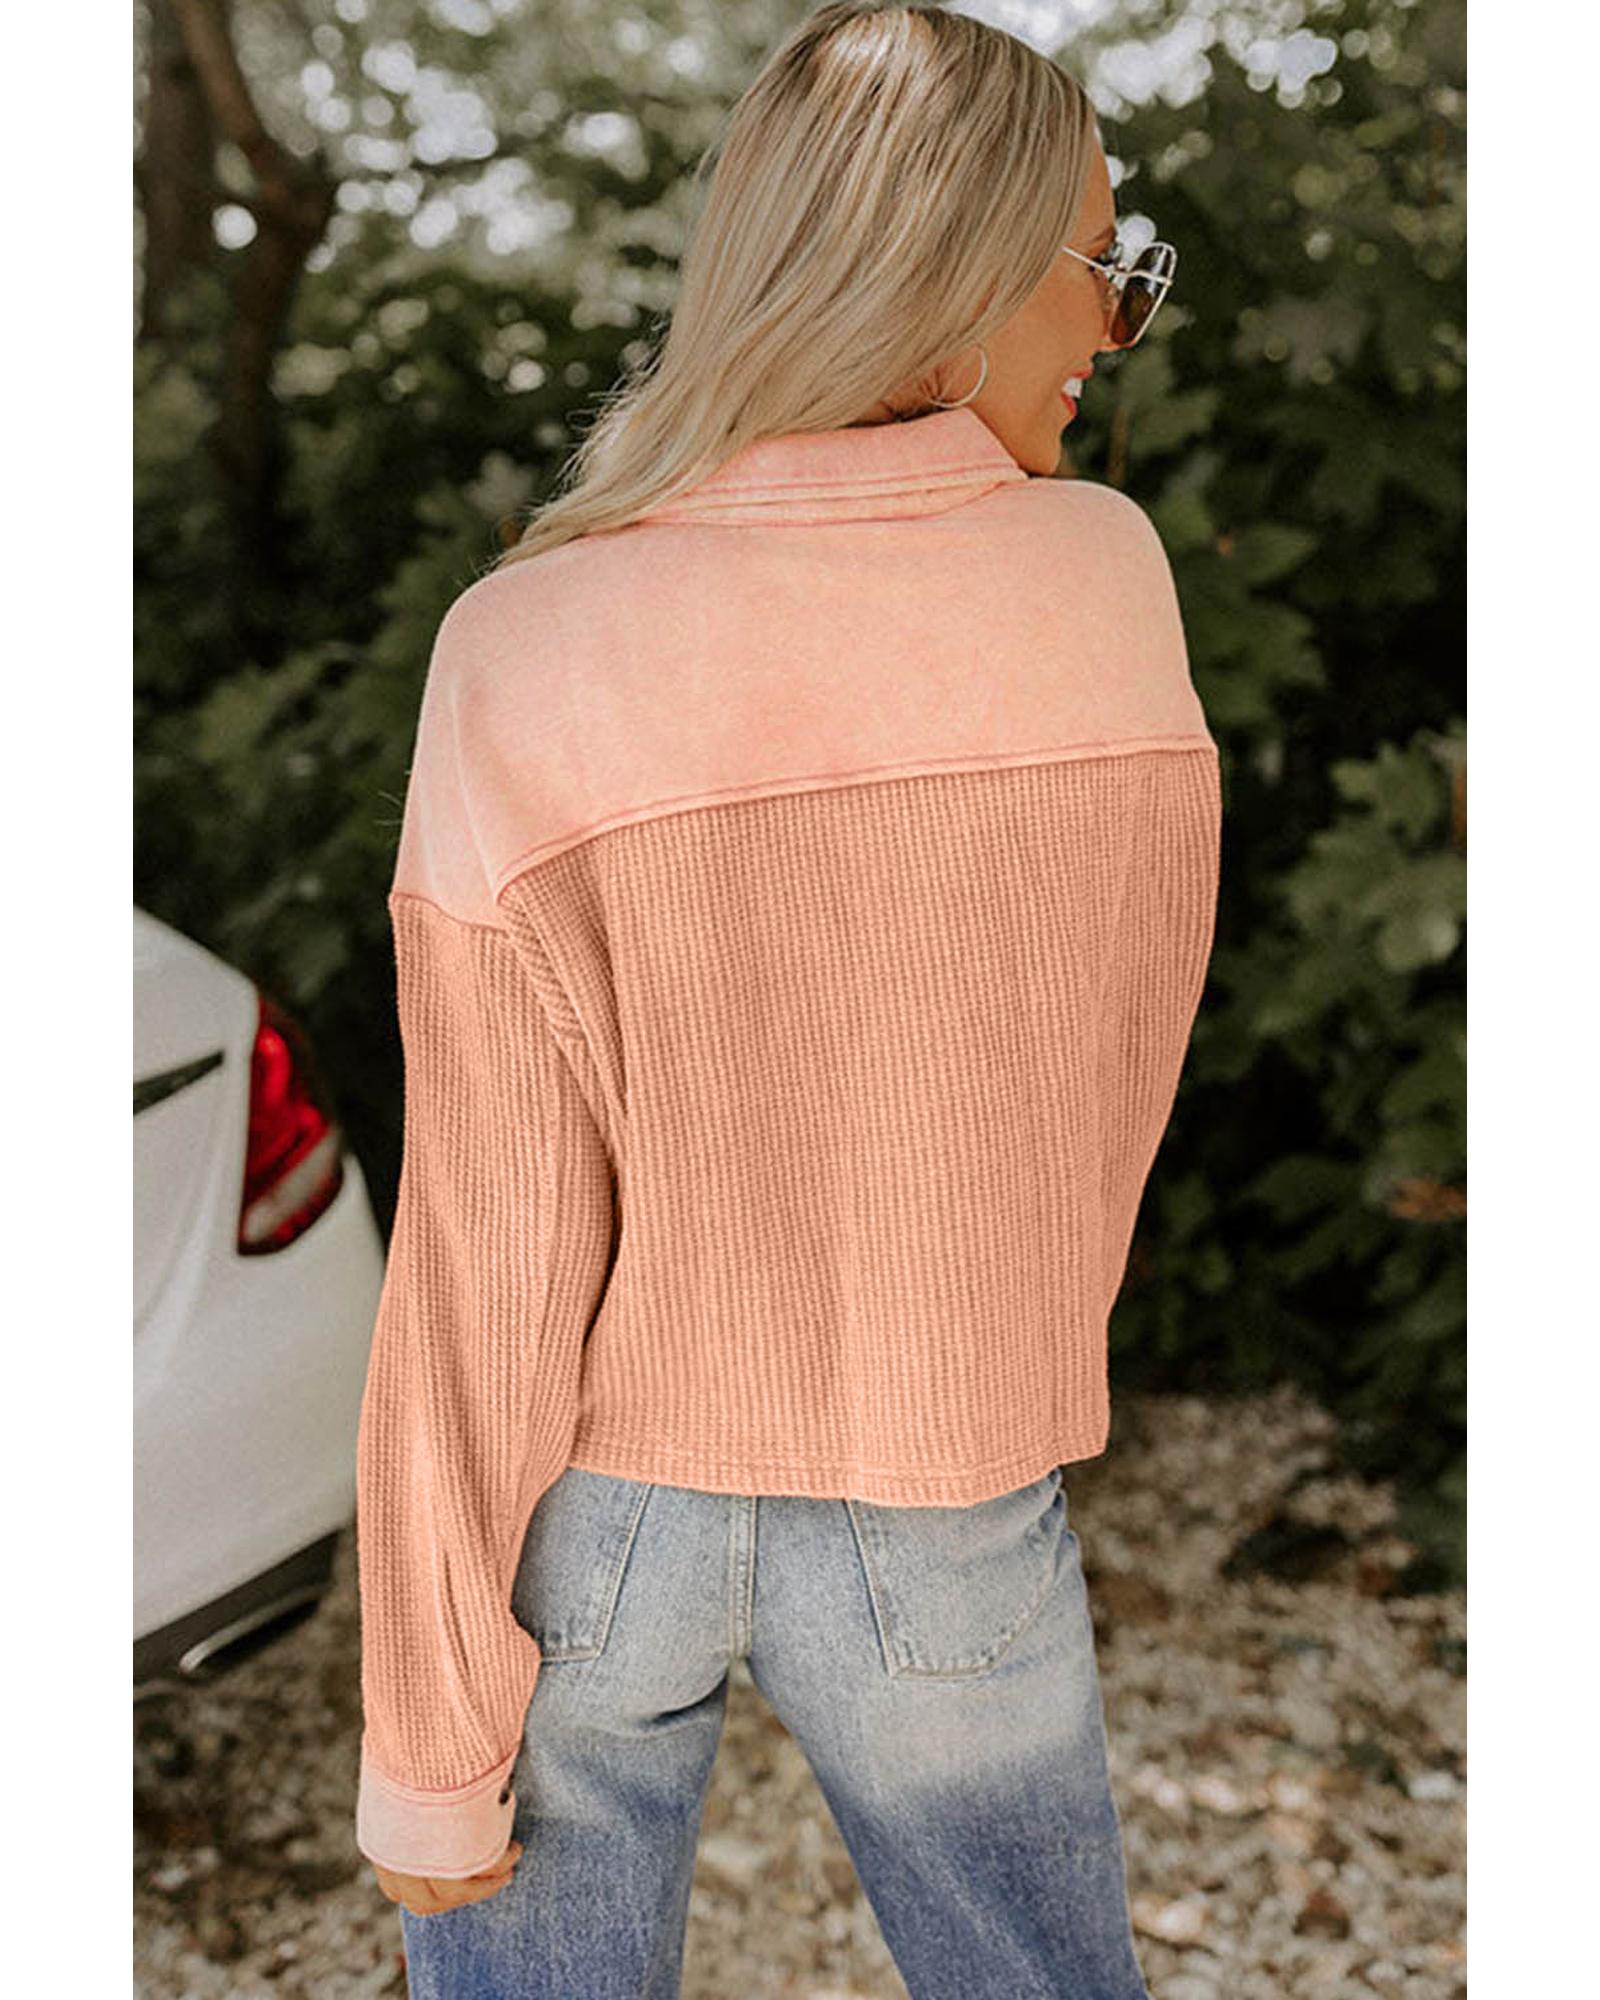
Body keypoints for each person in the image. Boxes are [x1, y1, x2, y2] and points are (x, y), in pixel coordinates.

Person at [353, 5, 1219, 1996]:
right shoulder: (1100, 585)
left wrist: (426, 1734)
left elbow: (483, 1243)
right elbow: (1109, 1084)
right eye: (1103, 262)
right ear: (954, 269)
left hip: (594, 1515)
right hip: (948, 1486)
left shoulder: (525, 641)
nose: (1115, 326)